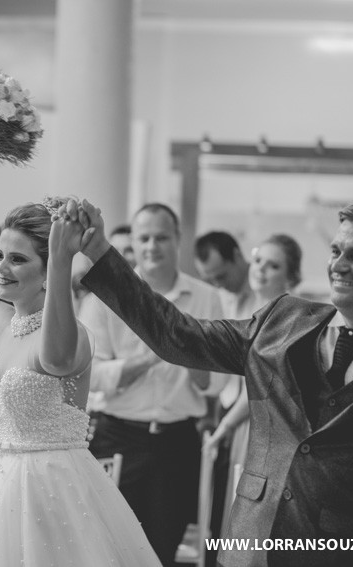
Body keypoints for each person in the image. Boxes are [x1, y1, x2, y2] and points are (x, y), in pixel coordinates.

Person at [72, 197, 353, 567]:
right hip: (250, 548)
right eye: (335, 250)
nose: (338, 265)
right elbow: (176, 335)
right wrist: (100, 252)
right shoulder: (282, 321)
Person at [0, 151, 161, 567]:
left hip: (58, 490)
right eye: (0, 255)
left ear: (47, 269)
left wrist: (63, 258)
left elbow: (54, 360)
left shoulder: (75, 335)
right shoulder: (1, 322)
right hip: (1, 489)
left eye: (18, 259)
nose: (1, 267)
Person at [80, 203, 224, 564]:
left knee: (164, 545)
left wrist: (191, 353)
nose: (152, 246)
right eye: (144, 238)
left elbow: (216, 383)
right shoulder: (104, 295)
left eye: (162, 237)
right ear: (134, 242)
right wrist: (160, 350)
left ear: (178, 240)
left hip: (177, 441)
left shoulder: (206, 297)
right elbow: (90, 374)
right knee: (107, 545)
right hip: (117, 435)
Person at [204, 234, 303, 538]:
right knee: (222, 508)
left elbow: (266, 384)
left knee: (249, 509)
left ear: (291, 277)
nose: (260, 269)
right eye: (258, 260)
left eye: (273, 266)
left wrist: (224, 428)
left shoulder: (289, 318)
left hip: (261, 423)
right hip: (231, 412)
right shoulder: (245, 307)